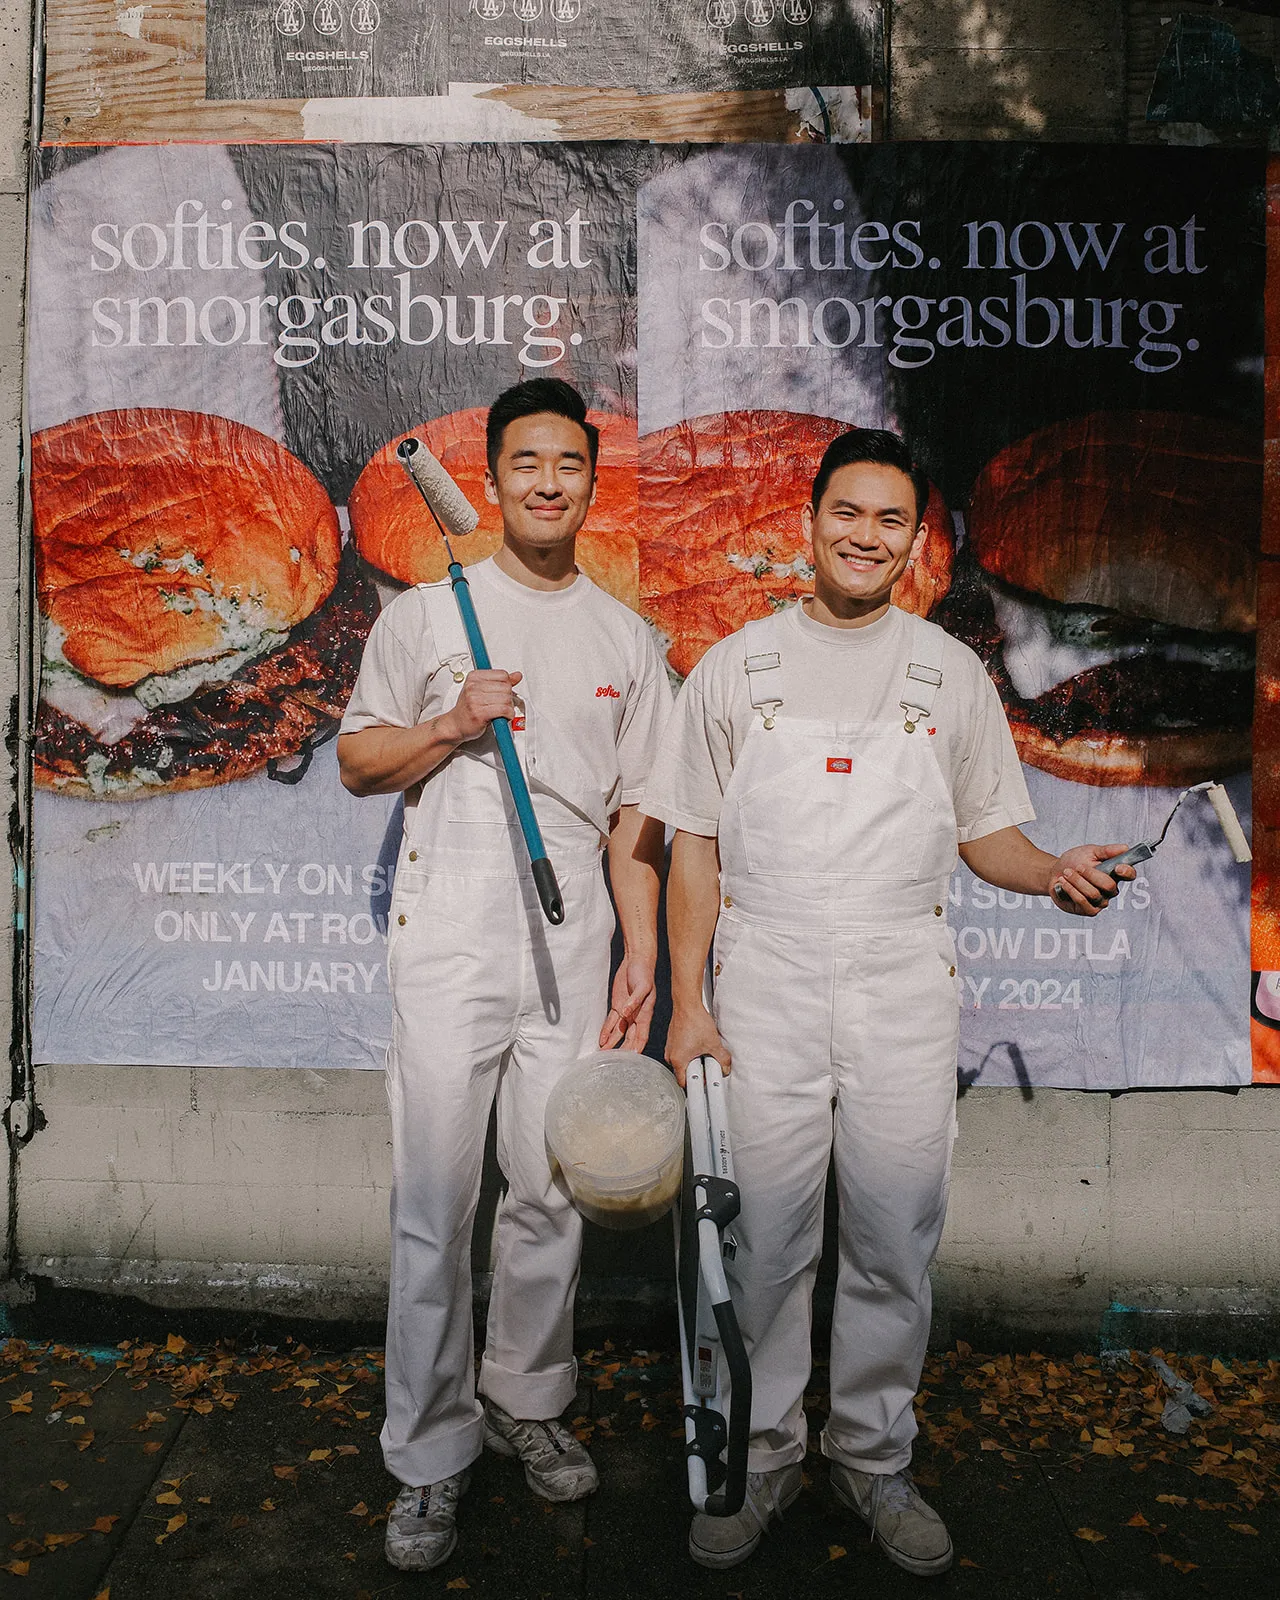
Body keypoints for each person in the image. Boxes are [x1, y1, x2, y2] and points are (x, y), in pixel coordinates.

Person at [641, 428, 1135, 1578]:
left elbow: (986, 835)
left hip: (902, 978)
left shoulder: (948, 673)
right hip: (763, 975)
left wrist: (1051, 871)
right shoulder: (734, 667)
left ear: (916, 541)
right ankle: (762, 1455)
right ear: (808, 522)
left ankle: (870, 1456)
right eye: (847, 513)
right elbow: (691, 845)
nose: (864, 536)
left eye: (889, 521)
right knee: (762, 1238)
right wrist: (687, 1002)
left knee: (892, 1233)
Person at [338, 379, 670, 1573]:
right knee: (436, 1203)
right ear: (488, 479)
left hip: (571, 940)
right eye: (525, 461)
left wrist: (641, 949)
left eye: (567, 463)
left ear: (591, 482)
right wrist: (448, 726)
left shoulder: (625, 638)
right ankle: (429, 1451)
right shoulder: (429, 617)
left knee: (548, 1188)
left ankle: (525, 1397)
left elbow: (637, 819)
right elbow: (357, 761)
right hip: (448, 932)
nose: (546, 481)